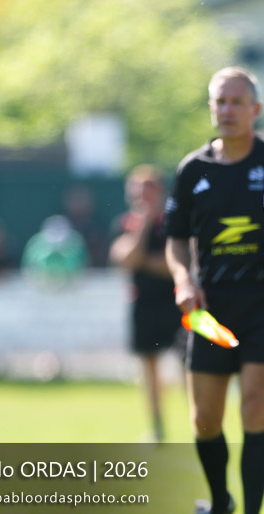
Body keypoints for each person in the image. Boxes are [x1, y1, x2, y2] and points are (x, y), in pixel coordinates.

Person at [165, 67, 264, 514]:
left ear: (255, 109)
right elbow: (176, 239)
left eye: (237, 102)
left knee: (256, 407)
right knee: (204, 420)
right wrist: (183, 279)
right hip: (210, 309)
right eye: (220, 101)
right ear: (211, 107)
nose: (228, 110)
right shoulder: (192, 169)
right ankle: (220, 502)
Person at [110, 165, 181, 443]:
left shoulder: (173, 221)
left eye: (147, 189)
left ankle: (198, 425)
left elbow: (175, 265)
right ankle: (157, 427)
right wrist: (144, 225)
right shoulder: (125, 223)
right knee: (149, 369)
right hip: (143, 305)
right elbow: (126, 259)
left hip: (176, 303)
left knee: (188, 367)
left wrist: (143, 261)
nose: (142, 196)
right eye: (137, 190)